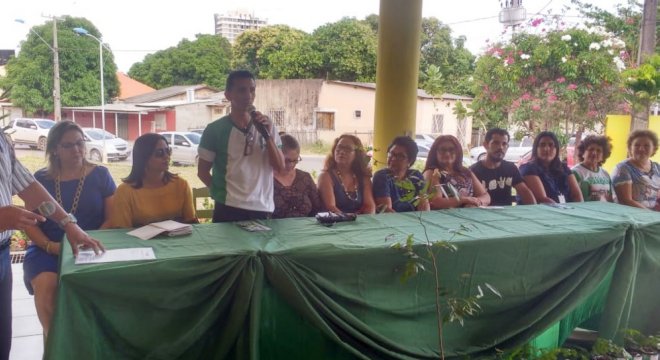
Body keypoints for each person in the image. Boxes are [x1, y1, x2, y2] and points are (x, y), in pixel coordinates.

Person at [0, 131, 103, 360]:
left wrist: (69, 224)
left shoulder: (1, 141)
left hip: (3, 253)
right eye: (68, 145)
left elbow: (29, 189)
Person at [22, 121, 115, 341]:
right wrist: (51, 247)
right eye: (68, 145)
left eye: (80, 143)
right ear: (54, 149)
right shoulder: (41, 179)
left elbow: (112, 219)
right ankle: (58, 346)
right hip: (48, 248)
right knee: (46, 286)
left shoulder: (100, 174)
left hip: (92, 246)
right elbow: (29, 223)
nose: (77, 150)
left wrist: (89, 243)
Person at [198, 70, 285, 222]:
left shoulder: (268, 125)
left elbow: (280, 167)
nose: (248, 96)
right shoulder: (215, 130)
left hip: (261, 208)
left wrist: (267, 136)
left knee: (259, 247)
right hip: (228, 208)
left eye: (252, 90)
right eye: (242, 90)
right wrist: (222, 194)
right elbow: (202, 172)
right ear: (228, 95)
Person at [109, 133, 196, 228]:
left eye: (168, 151)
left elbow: (190, 222)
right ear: (143, 157)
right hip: (139, 242)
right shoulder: (125, 191)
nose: (166, 156)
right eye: (159, 153)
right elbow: (121, 232)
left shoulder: (181, 185)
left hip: (178, 241)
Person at [470, 128, 536, 206]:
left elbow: (524, 192)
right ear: (486, 145)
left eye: (504, 144)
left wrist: (534, 210)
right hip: (482, 214)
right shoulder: (473, 171)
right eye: (496, 143)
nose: (501, 147)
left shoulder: (511, 168)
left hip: (507, 215)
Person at [423, 135, 490, 209]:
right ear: (435, 153)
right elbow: (435, 202)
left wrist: (476, 202)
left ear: (458, 152)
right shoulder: (432, 172)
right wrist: (464, 200)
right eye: (442, 150)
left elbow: (485, 196)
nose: (447, 153)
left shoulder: (465, 172)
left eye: (451, 150)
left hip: (470, 215)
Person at [318, 134, 375, 214]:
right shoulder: (325, 177)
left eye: (348, 149)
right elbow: (331, 208)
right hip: (335, 223)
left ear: (357, 154)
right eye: (339, 147)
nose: (341, 151)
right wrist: (349, 219)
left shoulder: (364, 178)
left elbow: (370, 206)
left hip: (360, 223)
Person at [519, 131, 583, 204]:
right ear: (536, 149)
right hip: (542, 212)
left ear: (556, 149)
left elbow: (577, 195)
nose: (547, 149)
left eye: (551, 145)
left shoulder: (564, 168)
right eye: (542, 145)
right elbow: (542, 199)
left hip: (567, 210)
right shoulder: (528, 168)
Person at [372, 136, 429, 212]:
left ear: (410, 161)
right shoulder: (382, 176)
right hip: (393, 222)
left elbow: (424, 205)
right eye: (391, 154)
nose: (393, 158)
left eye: (400, 156)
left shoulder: (416, 176)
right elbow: (386, 211)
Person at [272, 134, 323, 218]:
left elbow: (318, 208)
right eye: (287, 160)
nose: (291, 165)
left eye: (295, 160)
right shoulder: (265, 179)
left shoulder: (305, 178)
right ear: (277, 155)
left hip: (305, 228)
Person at [611, 130, 660, 210]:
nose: (641, 149)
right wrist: (652, 215)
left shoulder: (657, 168)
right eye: (636, 145)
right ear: (630, 148)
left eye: (646, 146)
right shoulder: (623, 168)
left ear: (654, 149)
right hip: (631, 216)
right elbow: (626, 201)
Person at [571, 135, 614, 202]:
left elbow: (610, 199)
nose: (594, 153)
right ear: (583, 153)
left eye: (598, 150)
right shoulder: (575, 172)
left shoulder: (605, 174)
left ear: (603, 156)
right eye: (591, 149)